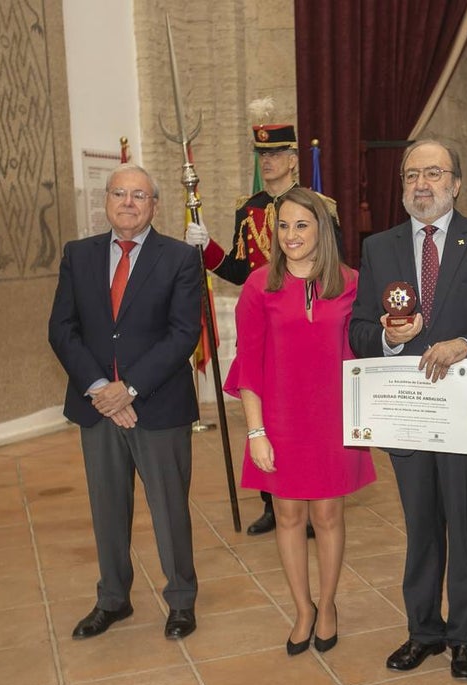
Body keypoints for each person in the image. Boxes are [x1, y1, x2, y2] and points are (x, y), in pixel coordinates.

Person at [349, 138, 467, 680]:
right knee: (421, 527)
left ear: (456, 182)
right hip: (408, 413)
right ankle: (423, 631)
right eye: (411, 176)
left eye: (433, 173)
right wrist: (388, 334)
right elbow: (357, 329)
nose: (421, 185)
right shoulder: (379, 248)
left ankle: (465, 637)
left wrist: (463, 346)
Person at [48, 163, 202, 641]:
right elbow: (62, 330)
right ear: (106, 201)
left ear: (155, 204)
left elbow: (183, 335)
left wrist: (129, 388)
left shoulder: (180, 257)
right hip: (97, 408)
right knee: (107, 508)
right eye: (120, 193)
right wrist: (101, 389)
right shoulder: (79, 254)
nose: (129, 202)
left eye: (139, 195)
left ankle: (180, 601)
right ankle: (112, 599)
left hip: (158, 407)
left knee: (169, 508)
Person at [223, 187, 375, 655]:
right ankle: (302, 608)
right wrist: (255, 432)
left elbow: (369, 347)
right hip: (280, 420)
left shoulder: (352, 282)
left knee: (328, 515)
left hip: (334, 419)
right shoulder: (258, 286)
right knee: (288, 514)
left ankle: (327, 605)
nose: (291, 235)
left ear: (323, 229)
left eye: (302, 225)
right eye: (284, 225)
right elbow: (248, 363)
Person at [186, 118, 341, 537]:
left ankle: (311, 498)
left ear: (293, 159)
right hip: (264, 325)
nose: (268, 161)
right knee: (267, 415)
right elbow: (238, 271)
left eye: (275, 154)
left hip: (306, 325)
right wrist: (207, 248)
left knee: (308, 417)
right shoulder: (248, 208)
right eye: (262, 155)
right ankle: (274, 504)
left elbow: (334, 269)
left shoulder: (319, 207)